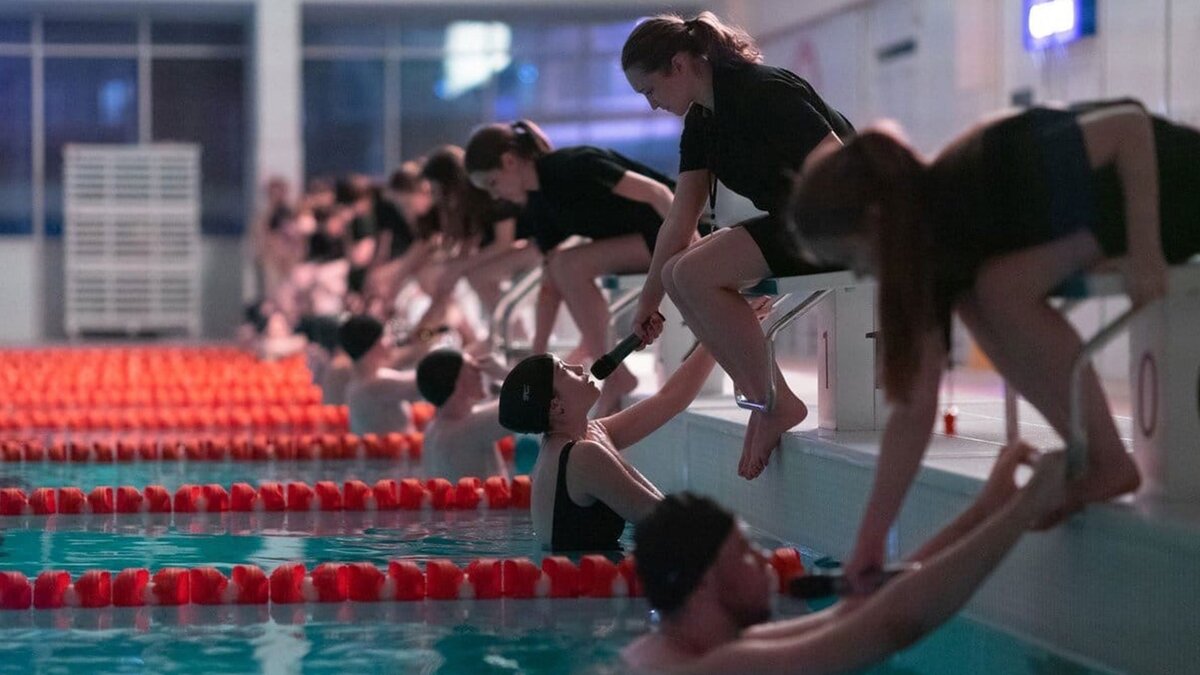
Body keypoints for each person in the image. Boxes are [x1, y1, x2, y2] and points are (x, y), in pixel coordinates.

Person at [789, 99, 1200, 587]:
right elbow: (914, 409)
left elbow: (1130, 128)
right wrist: (871, 542)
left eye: (851, 257)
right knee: (977, 292)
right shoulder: (932, 257)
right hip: (1098, 221)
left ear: (876, 220)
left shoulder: (988, 165)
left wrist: (1146, 247)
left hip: (1174, 185)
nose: (858, 273)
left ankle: (1106, 459)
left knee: (997, 288)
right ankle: (1096, 453)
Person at [621, 11, 855, 479]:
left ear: (680, 65)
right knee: (677, 272)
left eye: (650, 90)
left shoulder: (764, 91)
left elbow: (843, 166)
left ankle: (771, 401)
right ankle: (767, 398)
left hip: (842, 219)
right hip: (795, 223)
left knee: (692, 272)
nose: (652, 105)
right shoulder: (703, 123)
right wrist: (648, 304)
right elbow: (679, 217)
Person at [622, 443, 1067, 673]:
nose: (764, 562)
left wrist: (988, 507)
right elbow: (891, 627)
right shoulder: (720, 669)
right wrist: (1027, 507)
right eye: (745, 554)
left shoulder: (673, 651)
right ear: (702, 584)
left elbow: (851, 616)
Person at [466, 120, 689, 416]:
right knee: (561, 266)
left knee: (569, 264)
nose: (495, 197)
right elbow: (549, 286)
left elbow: (659, 194)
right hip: (643, 242)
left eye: (492, 184)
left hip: (677, 229)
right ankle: (615, 374)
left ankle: (616, 376)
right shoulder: (539, 203)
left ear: (509, 162)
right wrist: (536, 360)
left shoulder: (571, 165)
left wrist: (693, 249)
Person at [496, 328, 717, 551]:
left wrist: (719, 332)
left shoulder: (586, 435)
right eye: (564, 371)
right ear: (556, 406)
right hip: (588, 584)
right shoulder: (581, 457)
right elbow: (663, 521)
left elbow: (671, 399)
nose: (579, 367)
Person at [416, 348, 511, 481]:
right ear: (457, 381)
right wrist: (504, 373)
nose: (480, 372)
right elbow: (540, 397)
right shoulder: (470, 428)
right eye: (473, 368)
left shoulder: (433, 428)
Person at [338, 314, 416, 435]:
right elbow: (423, 382)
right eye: (385, 336)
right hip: (390, 453)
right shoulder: (372, 385)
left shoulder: (364, 381)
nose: (390, 341)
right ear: (373, 344)